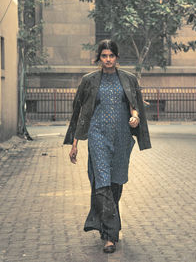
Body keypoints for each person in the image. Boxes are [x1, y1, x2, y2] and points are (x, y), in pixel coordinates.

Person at [63, 39, 151, 253]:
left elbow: (134, 106)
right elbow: (80, 113)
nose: (108, 60)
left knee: (115, 183)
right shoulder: (90, 80)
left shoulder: (128, 79)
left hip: (121, 137)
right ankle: (111, 236)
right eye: (104, 56)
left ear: (117, 58)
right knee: (102, 182)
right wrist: (74, 143)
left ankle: (104, 225)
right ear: (99, 58)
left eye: (111, 56)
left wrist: (136, 118)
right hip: (98, 135)